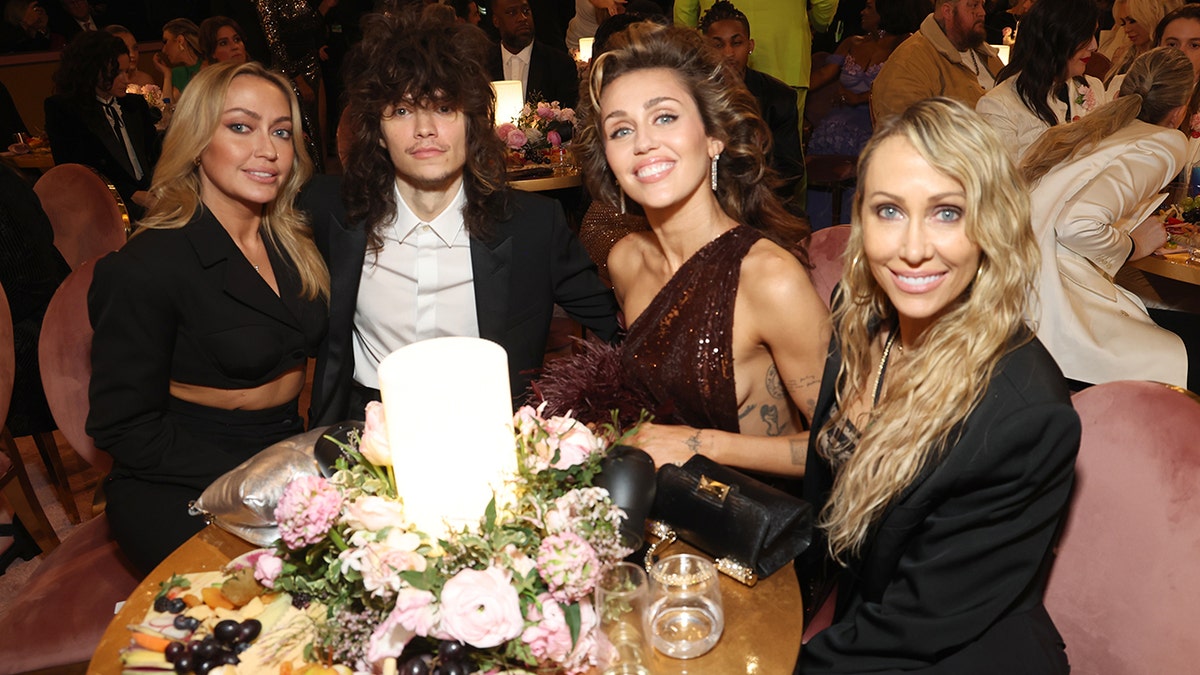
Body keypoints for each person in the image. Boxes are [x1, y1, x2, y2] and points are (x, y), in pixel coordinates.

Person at [798, 97, 1079, 673]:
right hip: (861, 618)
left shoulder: (1023, 416)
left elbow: (911, 629)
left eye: (947, 212)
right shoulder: (860, 313)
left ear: (989, 224)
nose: (912, 248)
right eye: (889, 210)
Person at [301, 9, 619, 426]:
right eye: (401, 110)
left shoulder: (532, 227)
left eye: (444, 107)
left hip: (489, 431)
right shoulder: (331, 211)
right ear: (377, 130)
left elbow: (618, 331)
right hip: (362, 429)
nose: (425, 128)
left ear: (472, 122)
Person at [85, 61, 330, 573]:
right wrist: (261, 479)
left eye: (281, 132)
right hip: (180, 474)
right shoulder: (147, 265)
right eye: (240, 127)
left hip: (287, 450)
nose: (268, 149)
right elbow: (123, 428)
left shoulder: (295, 241)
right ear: (197, 140)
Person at [572, 22, 829, 475]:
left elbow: (849, 445)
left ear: (714, 137)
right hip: (666, 523)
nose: (644, 142)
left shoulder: (769, 277)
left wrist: (700, 444)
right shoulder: (627, 259)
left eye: (665, 117)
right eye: (621, 130)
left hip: (757, 529)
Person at [1022, 47, 1193, 390]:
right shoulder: (1167, 141)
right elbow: (1075, 223)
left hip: (1024, 298)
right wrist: (1133, 244)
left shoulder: (1102, 128)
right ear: (1178, 110)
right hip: (1055, 309)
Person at [976, 0, 1108, 162]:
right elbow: (1001, 181)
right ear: (1057, 37)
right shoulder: (999, 106)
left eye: (1094, 35)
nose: (1094, 46)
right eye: (1086, 36)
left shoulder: (1092, 87)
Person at [44, 30, 159, 215]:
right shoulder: (65, 110)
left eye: (126, 71)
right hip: (105, 205)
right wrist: (131, 194)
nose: (126, 80)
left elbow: (154, 153)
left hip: (149, 197)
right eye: (117, 73)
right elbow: (78, 173)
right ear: (93, 71)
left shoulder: (134, 104)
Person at [699, 0, 803, 198]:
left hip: (762, 202)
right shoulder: (692, 96)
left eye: (736, 43)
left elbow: (790, 170)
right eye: (718, 45)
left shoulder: (779, 97)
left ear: (750, 45)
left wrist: (749, 200)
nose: (728, 53)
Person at [674, 0, 838, 119]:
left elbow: (684, 10)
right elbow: (825, 5)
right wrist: (819, 22)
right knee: (784, 152)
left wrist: (695, 52)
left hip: (716, 57)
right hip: (785, 56)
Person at [806, 0, 923, 157]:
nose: (862, 12)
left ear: (886, 12)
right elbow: (824, 74)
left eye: (868, 8)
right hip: (839, 121)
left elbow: (905, 89)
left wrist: (859, 98)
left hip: (877, 122)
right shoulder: (852, 42)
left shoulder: (907, 45)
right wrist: (791, 90)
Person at [871, 0, 1005, 121]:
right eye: (974, 5)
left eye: (982, 4)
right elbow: (906, 133)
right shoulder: (907, 63)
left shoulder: (984, 53)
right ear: (947, 11)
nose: (982, 12)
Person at [486, 0, 578, 107]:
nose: (522, 18)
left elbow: (568, 116)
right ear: (496, 21)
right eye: (512, 12)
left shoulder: (560, 64)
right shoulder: (482, 65)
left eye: (526, 11)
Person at [1105, 0, 1182, 91]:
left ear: (1153, 16)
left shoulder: (1172, 58)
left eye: (1133, 21)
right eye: (1123, 23)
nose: (1126, 29)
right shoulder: (1122, 56)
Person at [154, 17, 202, 102]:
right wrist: (167, 75)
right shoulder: (177, 73)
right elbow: (168, 107)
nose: (163, 50)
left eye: (166, 42)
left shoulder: (208, 65)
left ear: (180, 40)